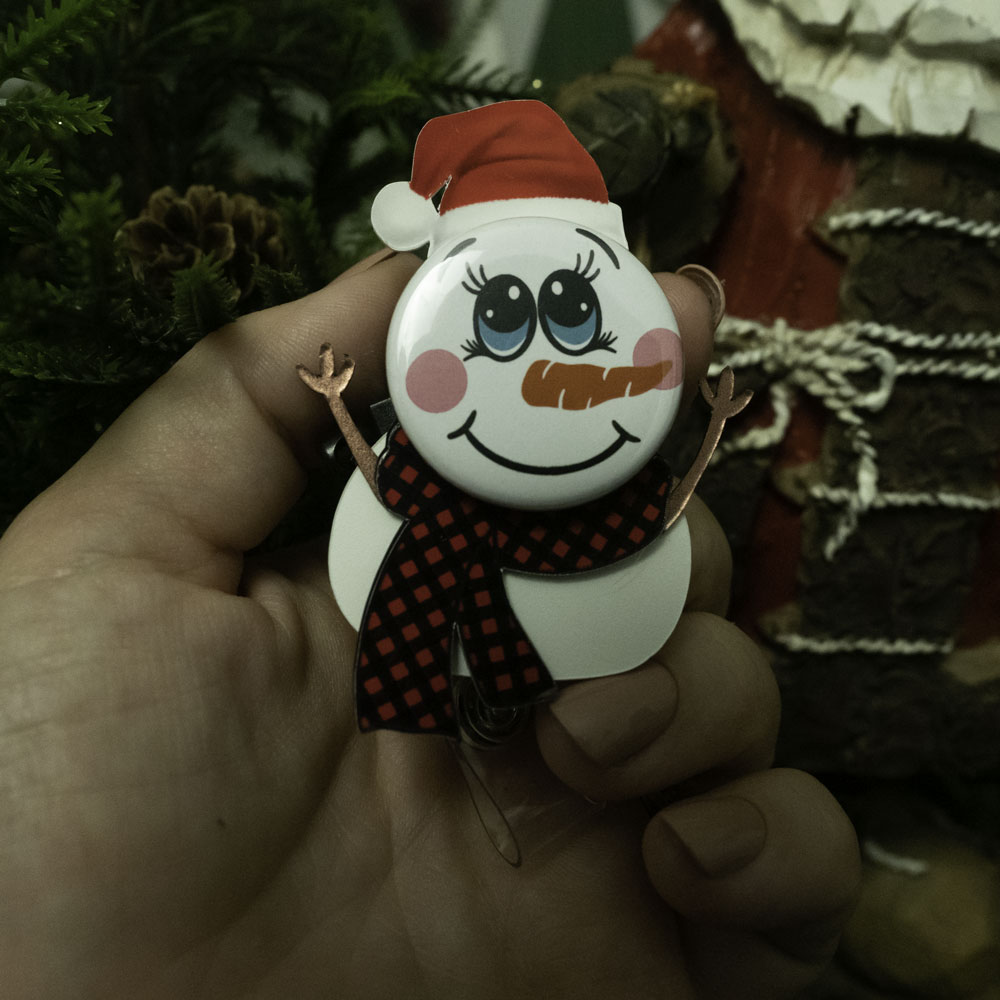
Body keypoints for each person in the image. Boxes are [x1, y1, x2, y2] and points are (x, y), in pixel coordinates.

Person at [0, 249, 860, 999]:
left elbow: (655, 517)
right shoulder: (424, 474)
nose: (534, 363)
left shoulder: (556, 498)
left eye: (569, 315)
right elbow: (391, 481)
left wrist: (710, 428)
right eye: (501, 320)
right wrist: (337, 402)